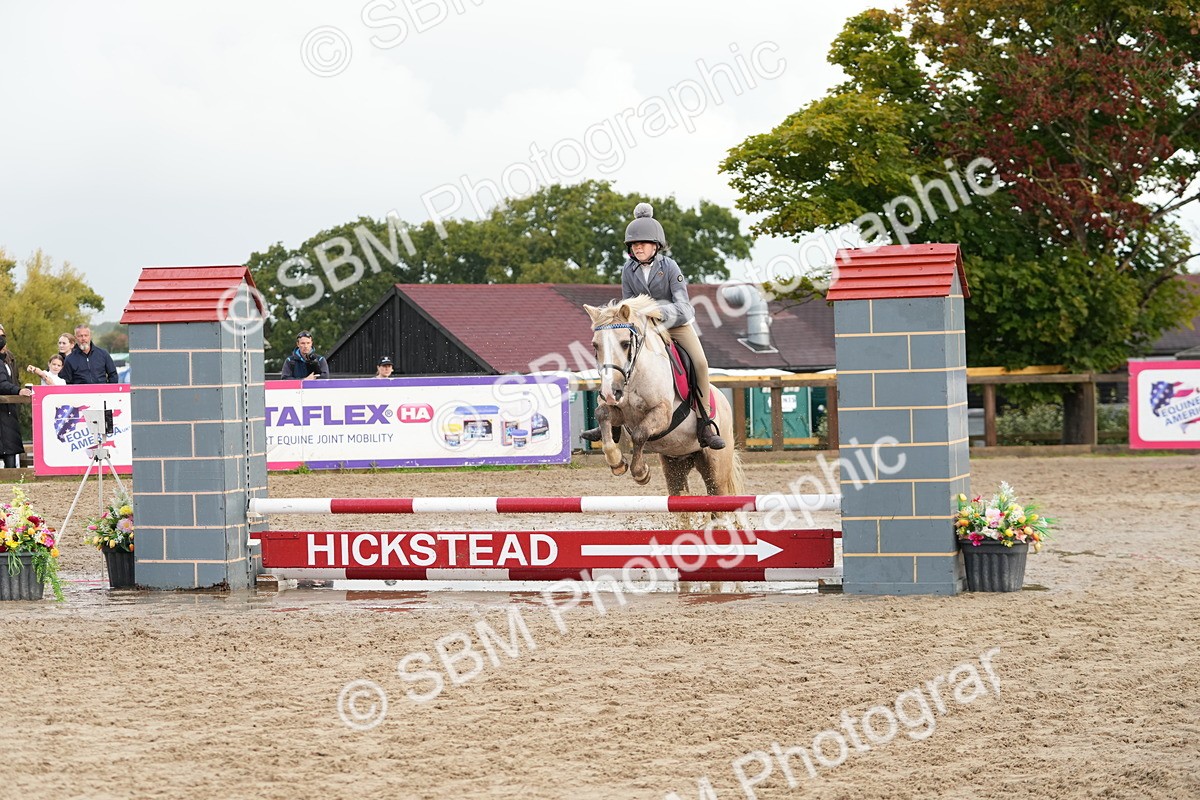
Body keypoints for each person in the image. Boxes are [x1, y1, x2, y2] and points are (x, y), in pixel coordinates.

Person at [581, 203, 726, 449]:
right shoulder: (628, 269)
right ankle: (610, 418)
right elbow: (626, 306)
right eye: (634, 244)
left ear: (656, 245)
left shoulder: (670, 267)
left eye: (643, 243)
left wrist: (655, 312)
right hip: (642, 328)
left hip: (674, 323)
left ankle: (705, 423)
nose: (637, 247)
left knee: (700, 363)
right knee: (616, 356)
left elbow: (684, 307)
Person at [0, 333, 33, 468]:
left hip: (8, 409)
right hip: (4, 409)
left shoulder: (6, 361)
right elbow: (2, 384)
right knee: (8, 445)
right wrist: (18, 390)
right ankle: (12, 474)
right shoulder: (1, 363)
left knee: (8, 444)